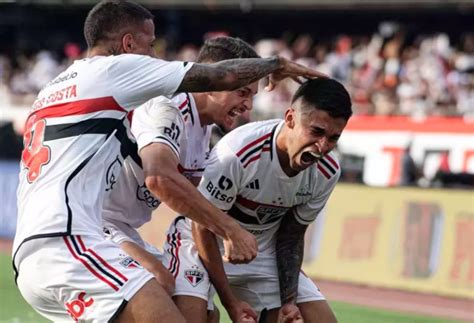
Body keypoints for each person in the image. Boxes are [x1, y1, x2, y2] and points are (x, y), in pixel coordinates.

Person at [11, 0, 326, 321]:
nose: (153, 57)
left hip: (46, 244)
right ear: (128, 44)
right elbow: (221, 77)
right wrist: (274, 65)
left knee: (201, 312)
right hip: (71, 239)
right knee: (163, 293)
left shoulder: (55, 88)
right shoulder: (123, 76)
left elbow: (189, 201)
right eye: (149, 47)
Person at [166, 78, 352, 323]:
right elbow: (201, 226)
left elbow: (292, 235)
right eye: (316, 132)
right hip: (199, 243)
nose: (322, 146)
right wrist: (230, 301)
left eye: (333, 138)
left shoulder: (327, 171)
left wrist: (288, 302)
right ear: (290, 119)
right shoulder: (238, 153)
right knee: (192, 318)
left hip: (263, 252)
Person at [103, 36, 261, 323]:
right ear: (213, 83)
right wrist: (232, 231)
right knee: (158, 280)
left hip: (123, 228)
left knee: (206, 313)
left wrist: (230, 302)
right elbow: (159, 180)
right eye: (242, 92)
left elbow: (199, 212)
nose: (247, 106)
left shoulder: (203, 131)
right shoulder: (167, 107)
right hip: (92, 222)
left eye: (252, 96)